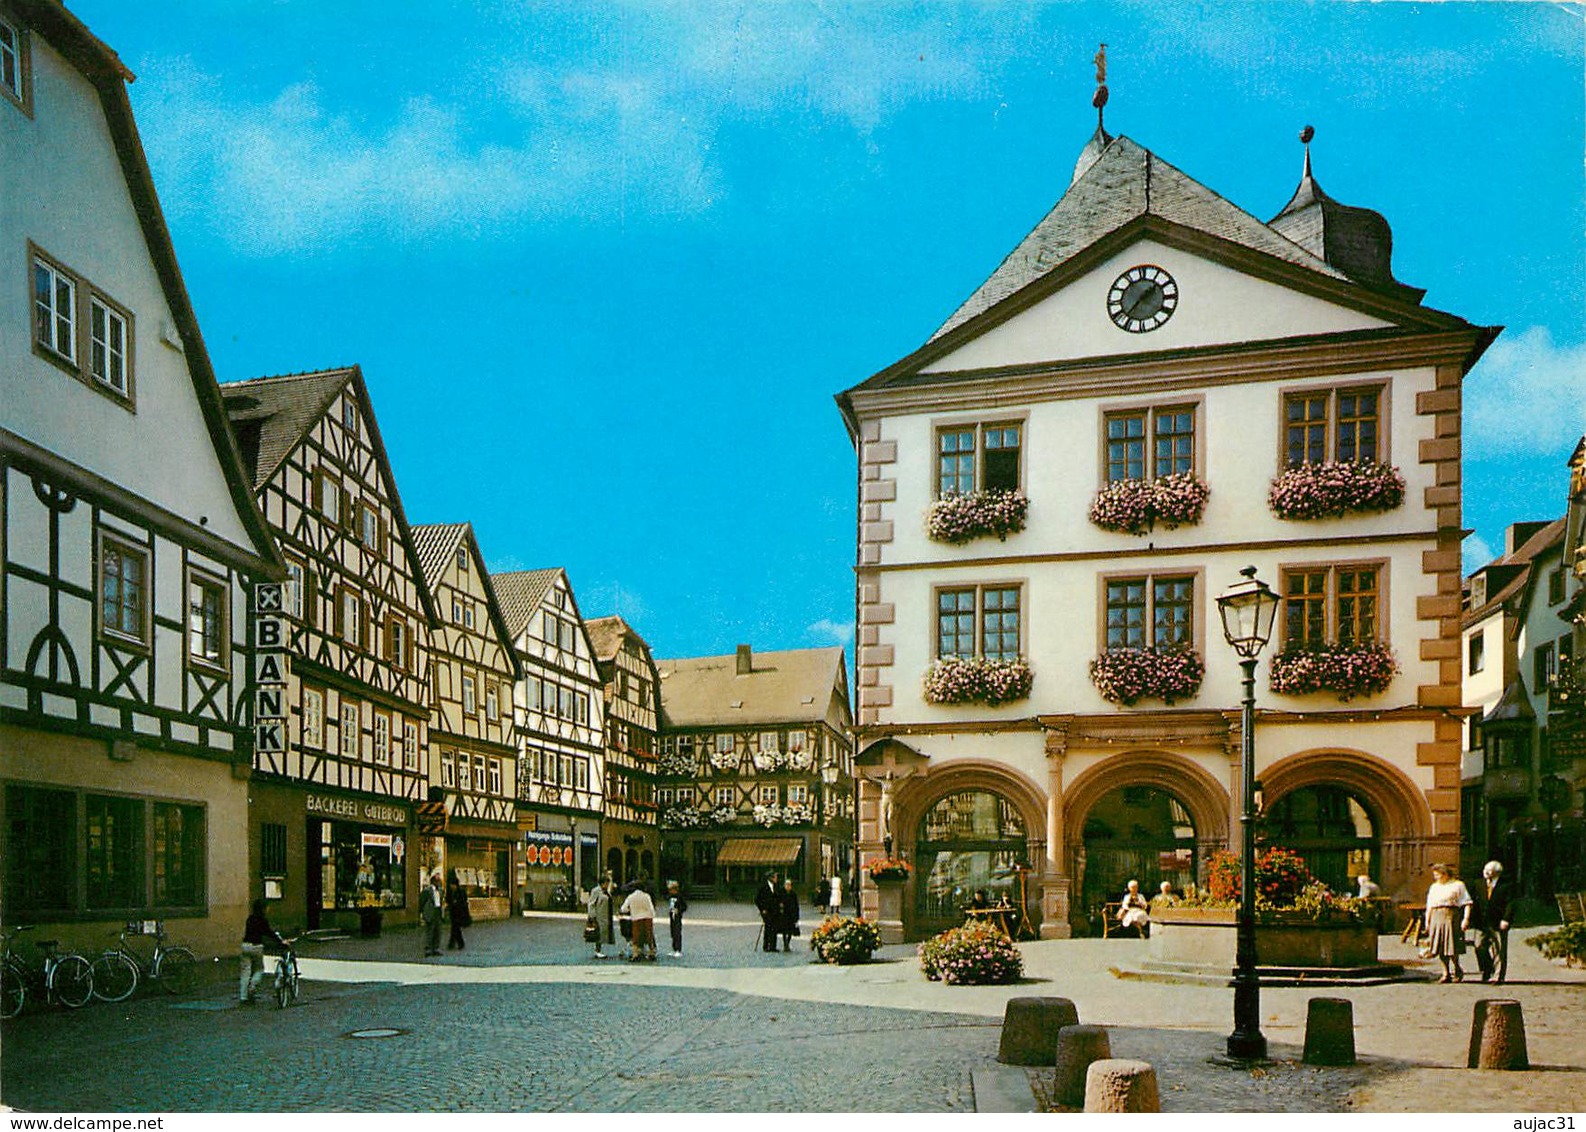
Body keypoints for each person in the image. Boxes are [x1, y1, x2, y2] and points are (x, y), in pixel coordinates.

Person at [1424, 862, 1474, 983]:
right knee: (1440, 946)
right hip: (1436, 916)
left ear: (1444, 874)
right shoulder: (1434, 887)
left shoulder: (1457, 885)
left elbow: (1467, 902)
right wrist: (1428, 922)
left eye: (1437, 875)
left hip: (1451, 916)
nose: (1435, 877)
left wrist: (1466, 919)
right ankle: (1445, 972)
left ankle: (1457, 968)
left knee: (1451, 946)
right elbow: (1429, 905)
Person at [1472, 860, 1513, 984]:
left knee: (1499, 948)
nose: (1486, 873)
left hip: (1498, 921)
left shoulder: (1506, 885)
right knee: (1478, 946)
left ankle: (1498, 976)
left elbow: (1510, 904)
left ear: (1497, 873)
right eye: (1485, 870)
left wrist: (1506, 919)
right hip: (1481, 921)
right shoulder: (1478, 884)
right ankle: (1487, 969)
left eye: (1489, 871)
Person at [239, 898, 285, 1005]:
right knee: (259, 969)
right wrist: (280, 942)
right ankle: (252, 986)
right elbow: (269, 933)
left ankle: (243, 997)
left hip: (245, 946)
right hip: (257, 947)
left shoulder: (249, 919)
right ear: (263, 909)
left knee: (245, 972)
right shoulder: (263, 920)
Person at [621, 880, 658, 962]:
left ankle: (635, 954)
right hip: (647, 917)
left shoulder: (631, 897)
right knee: (649, 935)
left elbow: (623, 908)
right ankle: (652, 952)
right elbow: (651, 908)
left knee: (636, 936)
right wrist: (652, 915)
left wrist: (630, 910)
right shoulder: (646, 896)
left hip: (636, 918)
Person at [587, 874, 615, 959]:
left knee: (603, 933)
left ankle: (599, 949)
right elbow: (591, 904)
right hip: (599, 915)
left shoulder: (606, 891)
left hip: (606, 915)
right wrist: (592, 916)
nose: (607, 885)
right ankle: (597, 950)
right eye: (606, 883)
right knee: (598, 933)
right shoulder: (596, 891)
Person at [445, 868, 472, 951]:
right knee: (455, 928)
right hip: (453, 912)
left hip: (459, 912)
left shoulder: (461, 892)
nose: (451, 886)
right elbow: (448, 900)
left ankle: (458, 943)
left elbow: (464, 902)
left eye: (452, 885)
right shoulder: (450, 892)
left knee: (455, 928)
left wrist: (456, 903)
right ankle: (453, 944)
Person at [419, 871, 445, 957]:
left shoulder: (440, 890)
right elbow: (422, 901)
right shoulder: (427, 890)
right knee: (430, 931)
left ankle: (436, 948)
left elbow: (441, 901)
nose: (439, 883)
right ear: (433, 882)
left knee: (438, 930)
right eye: (437, 881)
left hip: (438, 911)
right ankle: (428, 948)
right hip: (430, 911)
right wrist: (422, 912)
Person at [755, 872, 781, 952]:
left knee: (774, 928)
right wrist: (762, 909)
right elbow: (757, 899)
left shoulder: (776, 887)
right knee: (768, 928)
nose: (776, 879)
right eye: (775, 877)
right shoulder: (763, 887)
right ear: (771, 878)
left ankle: (773, 946)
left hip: (775, 911)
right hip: (767, 911)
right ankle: (766, 946)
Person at [665, 879, 688, 958]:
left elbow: (684, 906)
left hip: (677, 916)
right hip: (672, 915)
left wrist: (679, 910)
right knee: (673, 932)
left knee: (677, 932)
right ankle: (674, 948)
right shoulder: (670, 896)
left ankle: (678, 949)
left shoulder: (679, 896)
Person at [777, 878, 801, 952]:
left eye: (789, 885)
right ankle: (785, 943)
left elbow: (796, 905)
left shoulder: (793, 894)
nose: (788, 886)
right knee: (784, 930)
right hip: (784, 914)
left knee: (790, 930)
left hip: (791, 915)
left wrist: (797, 916)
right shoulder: (781, 892)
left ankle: (788, 942)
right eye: (787, 885)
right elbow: (778, 902)